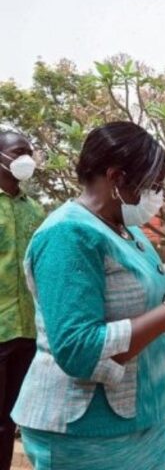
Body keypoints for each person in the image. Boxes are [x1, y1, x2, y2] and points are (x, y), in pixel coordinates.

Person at [12, 121, 165, 470]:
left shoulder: (127, 231)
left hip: (142, 420)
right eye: (152, 185)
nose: (157, 196)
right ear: (116, 177)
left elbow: (124, 302)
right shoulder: (68, 234)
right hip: (83, 431)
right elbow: (77, 348)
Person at [0, 131, 44, 470]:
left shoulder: (35, 210)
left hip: (28, 332)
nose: (26, 158)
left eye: (29, 151)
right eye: (18, 151)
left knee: (11, 421)